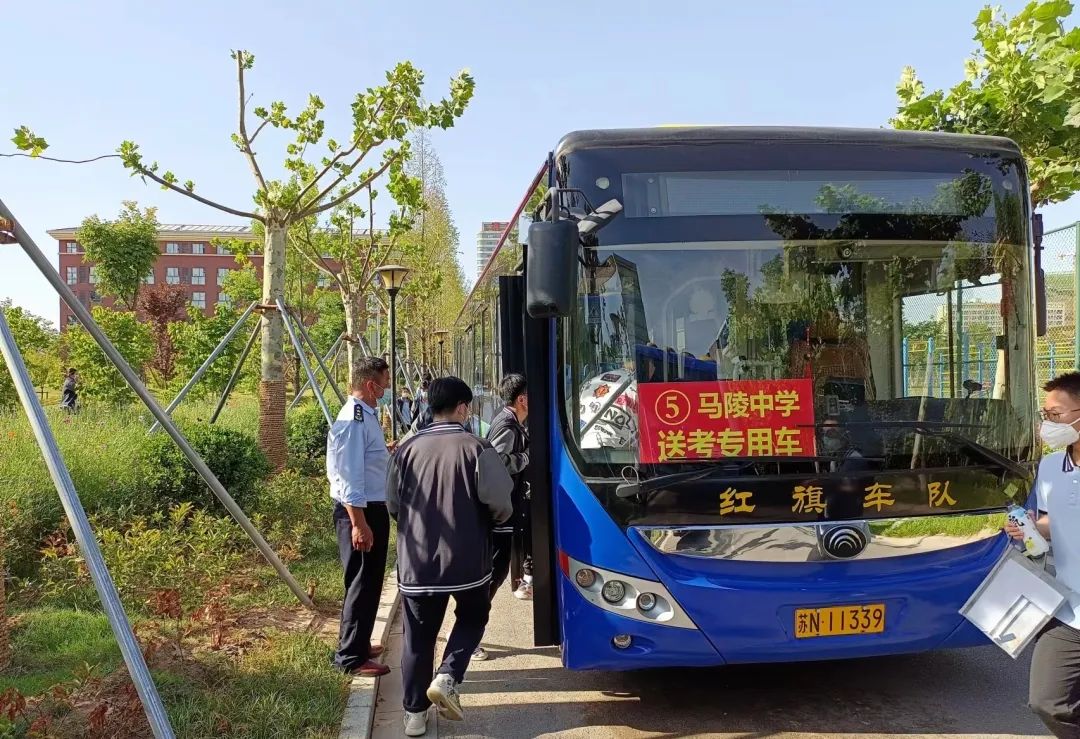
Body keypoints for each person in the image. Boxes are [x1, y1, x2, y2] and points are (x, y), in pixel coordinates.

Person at [386, 377, 513, 736]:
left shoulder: (406, 450)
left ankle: (414, 715)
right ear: (461, 408)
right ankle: (448, 675)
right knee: (473, 616)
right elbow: (501, 504)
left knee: (418, 637)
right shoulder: (477, 447)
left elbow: (393, 504)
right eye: (468, 407)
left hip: (417, 563)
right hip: (468, 562)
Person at [1008, 372, 1080, 739]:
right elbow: (1053, 519)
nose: (1047, 424)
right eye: (1045, 414)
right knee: (1047, 701)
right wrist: (1031, 529)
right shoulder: (1051, 467)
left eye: (1056, 414)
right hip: (1068, 611)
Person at [326, 356, 394, 677]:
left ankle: (359, 643)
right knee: (361, 582)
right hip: (361, 511)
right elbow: (348, 476)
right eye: (383, 384)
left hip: (370, 508)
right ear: (370, 385)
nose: (386, 390)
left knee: (369, 580)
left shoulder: (363, 415)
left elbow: (363, 461)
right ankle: (350, 657)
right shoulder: (353, 419)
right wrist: (359, 523)